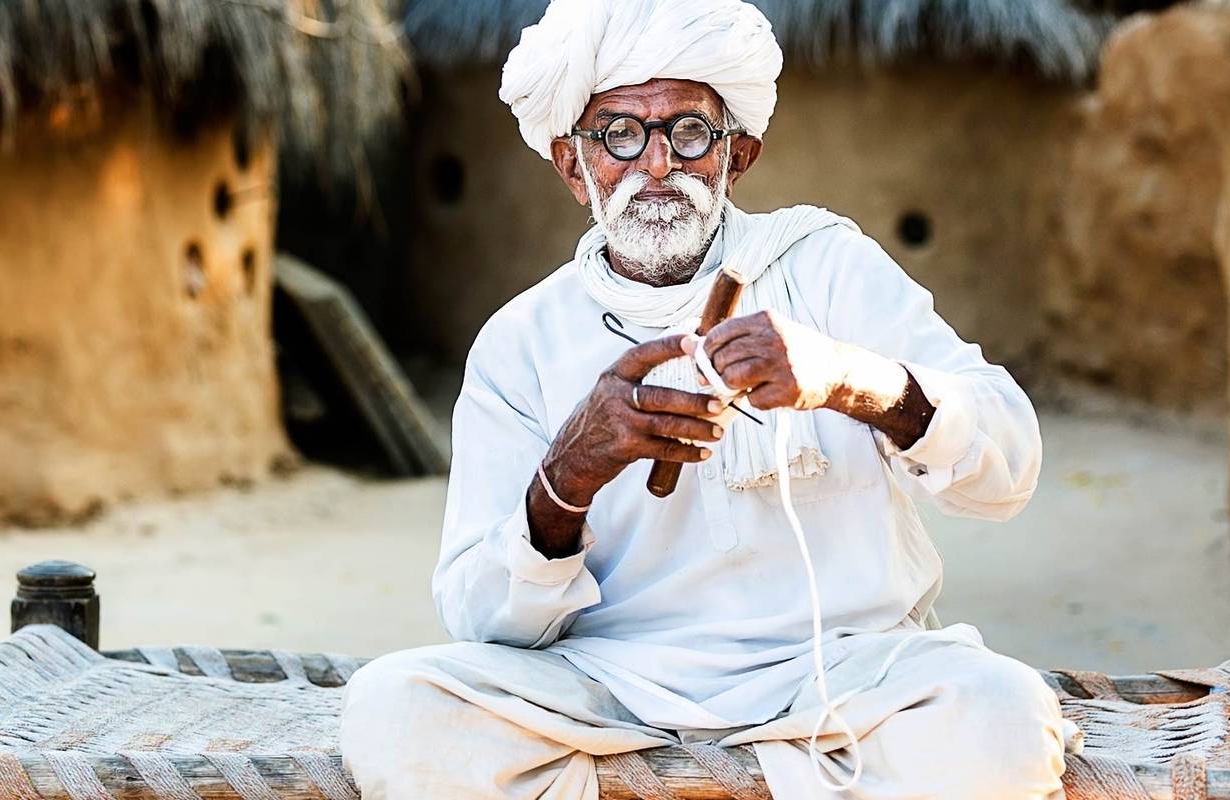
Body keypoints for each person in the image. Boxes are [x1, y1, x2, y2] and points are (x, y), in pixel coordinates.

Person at [341, 0, 1070, 796]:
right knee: (392, 710)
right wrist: (570, 474)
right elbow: (483, 621)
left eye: (689, 133)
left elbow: (1011, 469)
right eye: (619, 134)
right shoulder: (523, 342)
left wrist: (850, 380)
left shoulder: (825, 267)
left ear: (738, 156)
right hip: (607, 685)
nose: (658, 166)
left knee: (1002, 718)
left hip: (842, 671)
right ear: (571, 166)